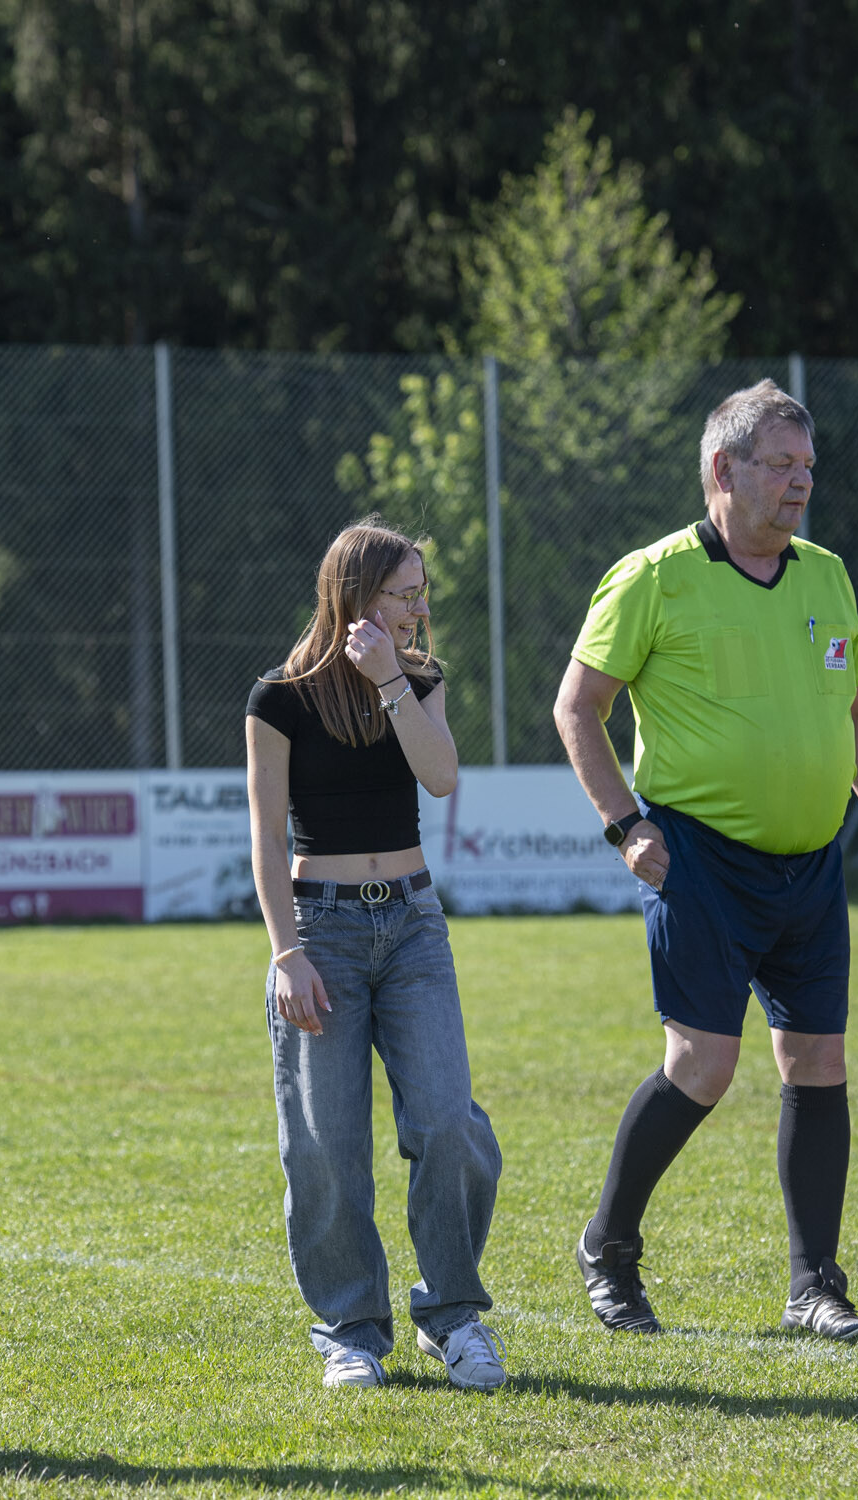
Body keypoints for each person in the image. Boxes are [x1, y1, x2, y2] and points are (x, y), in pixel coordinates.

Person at [552, 379, 858, 1344]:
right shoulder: (653, 577)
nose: (802, 483)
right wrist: (626, 826)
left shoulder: (826, 575)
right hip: (700, 862)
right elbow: (577, 707)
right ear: (724, 469)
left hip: (812, 866)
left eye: (809, 467)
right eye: (782, 465)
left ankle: (816, 1287)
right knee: (702, 1068)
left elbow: (857, 712)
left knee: (819, 1062)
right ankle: (608, 1247)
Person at [246, 518, 505, 1392]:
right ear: (355, 596)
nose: (418, 609)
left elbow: (441, 776)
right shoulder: (278, 697)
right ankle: (351, 1331)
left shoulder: (420, 677)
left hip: (413, 925)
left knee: (450, 1127)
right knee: (326, 1146)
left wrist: (391, 677)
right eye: (403, 594)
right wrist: (286, 953)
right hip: (319, 932)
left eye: (421, 593)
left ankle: (452, 1316)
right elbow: (266, 836)